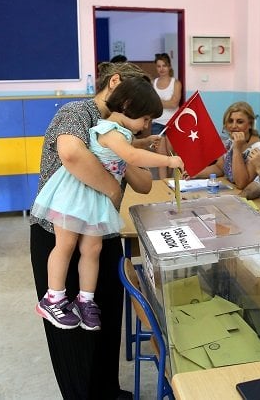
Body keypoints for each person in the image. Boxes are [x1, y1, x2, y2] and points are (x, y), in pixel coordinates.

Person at [30, 62, 155, 399]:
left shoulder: (119, 130)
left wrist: (130, 154)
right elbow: (71, 153)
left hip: (100, 235)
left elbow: (142, 183)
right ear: (114, 83)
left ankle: (107, 391)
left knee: (104, 319)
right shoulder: (78, 112)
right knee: (72, 336)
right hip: (61, 235)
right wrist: (112, 189)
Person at [32, 77, 184, 332]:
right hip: (76, 194)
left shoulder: (119, 133)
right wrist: (168, 161)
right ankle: (53, 297)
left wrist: (143, 143)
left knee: (93, 249)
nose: (147, 125)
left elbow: (130, 152)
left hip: (95, 199)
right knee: (66, 244)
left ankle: (85, 299)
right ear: (127, 105)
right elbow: (130, 155)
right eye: (146, 118)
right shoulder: (108, 129)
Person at [191, 101, 260, 188]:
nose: (233, 126)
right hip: (233, 191)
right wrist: (196, 173)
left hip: (254, 198)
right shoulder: (230, 142)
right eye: (230, 121)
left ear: (250, 124)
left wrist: (237, 149)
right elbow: (219, 168)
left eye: (239, 122)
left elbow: (241, 183)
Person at [151, 52, 182, 179]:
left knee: (170, 158)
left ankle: (170, 184)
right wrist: (164, 103)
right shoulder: (153, 83)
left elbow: (174, 104)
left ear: (169, 66)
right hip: (157, 123)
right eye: (159, 66)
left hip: (173, 123)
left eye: (164, 65)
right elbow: (150, 104)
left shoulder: (176, 83)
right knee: (161, 159)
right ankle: (163, 185)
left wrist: (157, 101)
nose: (161, 69)